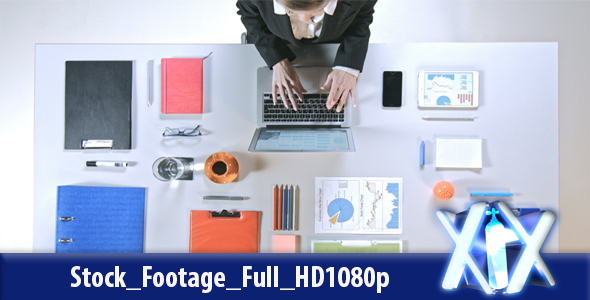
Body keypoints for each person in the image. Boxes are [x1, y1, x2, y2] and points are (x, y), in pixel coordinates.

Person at [237, 0, 377, 112]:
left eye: (315, 13)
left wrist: (349, 66)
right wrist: (276, 59)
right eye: (291, 11)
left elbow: (362, 18)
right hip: (280, 42)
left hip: (333, 43)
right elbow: (250, 15)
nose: (304, 20)